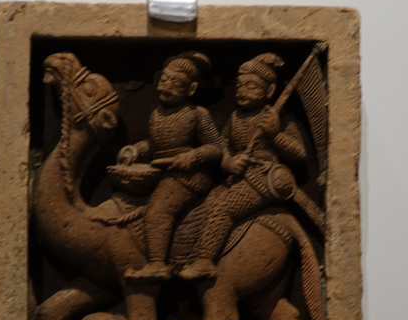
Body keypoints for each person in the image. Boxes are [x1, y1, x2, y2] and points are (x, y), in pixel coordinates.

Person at [179, 53, 306, 280]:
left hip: (264, 178)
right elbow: (223, 145)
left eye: (251, 86)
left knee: (224, 210)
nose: (242, 91)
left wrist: (275, 135)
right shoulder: (236, 116)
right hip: (238, 177)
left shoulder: (276, 117)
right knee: (204, 205)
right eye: (239, 85)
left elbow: (300, 154)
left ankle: (205, 261)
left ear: (269, 91)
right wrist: (229, 161)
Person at [118, 52, 221, 281]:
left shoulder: (197, 114)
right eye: (164, 79)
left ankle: (157, 265)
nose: (166, 86)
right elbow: (152, 144)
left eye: (176, 82)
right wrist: (135, 150)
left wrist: (195, 155)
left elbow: (216, 148)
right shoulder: (156, 113)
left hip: (190, 176)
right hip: (163, 172)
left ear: (191, 89)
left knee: (158, 211)